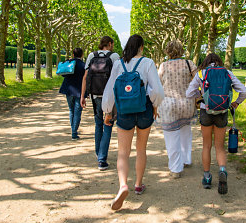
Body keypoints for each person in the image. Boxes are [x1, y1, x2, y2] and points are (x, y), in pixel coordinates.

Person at [102, 34, 164, 210]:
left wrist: (107, 111)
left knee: (123, 152)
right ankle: (138, 184)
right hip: (143, 108)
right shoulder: (148, 63)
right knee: (141, 148)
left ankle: (123, 185)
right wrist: (155, 106)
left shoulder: (118, 64)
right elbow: (157, 90)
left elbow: (111, 89)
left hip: (124, 111)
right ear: (141, 47)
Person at [186, 53, 246, 195]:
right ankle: (222, 170)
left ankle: (207, 177)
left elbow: (189, 93)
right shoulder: (227, 73)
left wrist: (200, 96)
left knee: (206, 145)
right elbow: (243, 91)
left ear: (205, 62)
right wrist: (236, 103)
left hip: (205, 111)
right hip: (222, 112)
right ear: (219, 62)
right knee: (219, 146)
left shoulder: (201, 73)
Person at [157, 40, 197, 178]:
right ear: (181, 50)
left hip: (169, 104)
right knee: (186, 132)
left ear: (167, 51)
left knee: (171, 136)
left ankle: (176, 168)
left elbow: (158, 83)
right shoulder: (189, 63)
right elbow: (198, 80)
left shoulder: (163, 66)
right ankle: (186, 159)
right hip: (187, 103)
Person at [80, 36, 120, 170]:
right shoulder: (114, 57)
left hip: (95, 94)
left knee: (98, 124)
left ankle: (99, 153)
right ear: (109, 44)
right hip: (109, 96)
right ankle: (102, 159)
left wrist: (83, 95)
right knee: (108, 124)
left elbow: (85, 77)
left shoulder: (92, 55)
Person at [59, 48, 86, 140]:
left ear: (73, 55)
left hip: (68, 90)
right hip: (79, 91)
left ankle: (73, 130)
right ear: (82, 55)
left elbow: (63, 74)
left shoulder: (68, 63)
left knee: (71, 110)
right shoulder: (83, 65)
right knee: (77, 112)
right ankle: (74, 132)